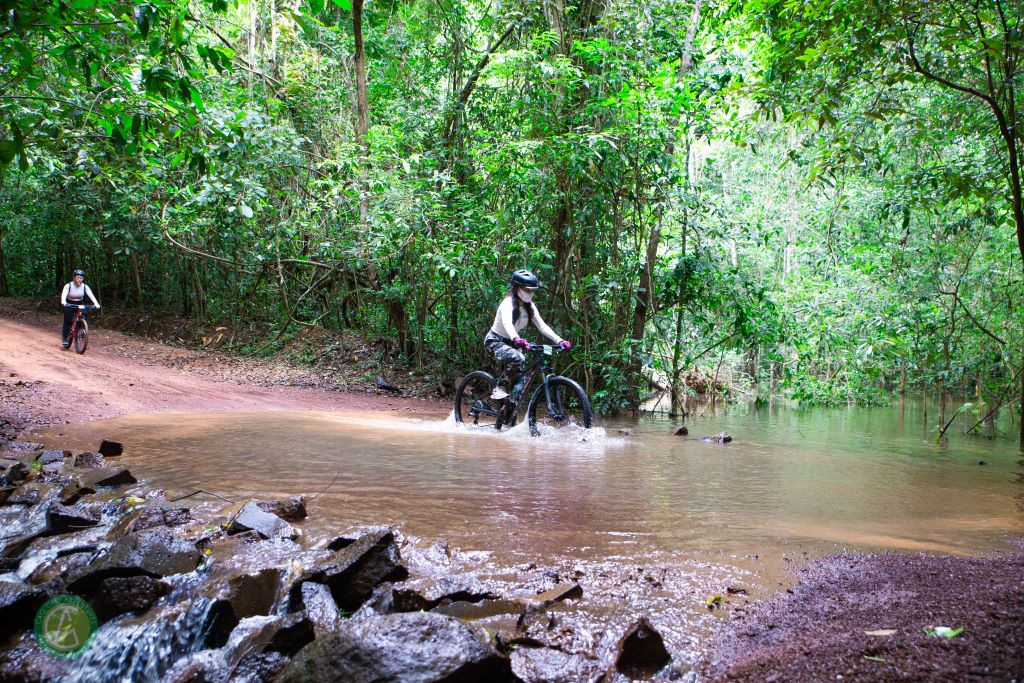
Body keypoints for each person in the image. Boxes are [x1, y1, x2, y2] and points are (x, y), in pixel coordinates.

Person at [485, 269, 570, 400]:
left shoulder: (529, 306)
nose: (530, 293)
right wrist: (516, 338)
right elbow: (507, 324)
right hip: (495, 341)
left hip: (513, 343)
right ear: (517, 288)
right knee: (518, 358)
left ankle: (510, 406)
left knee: (522, 381)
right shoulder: (507, 303)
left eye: (532, 290)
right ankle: (499, 388)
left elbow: (542, 326)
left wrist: (559, 340)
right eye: (527, 290)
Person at [60, 269, 100, 348]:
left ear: (83, 279)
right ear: (74, 278)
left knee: (83, 316)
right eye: (77, 277)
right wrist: (63, 301)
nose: (79, 279)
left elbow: (91, 295)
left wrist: (96, 303)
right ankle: (65, 338)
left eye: (81, 278)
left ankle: (80, 330)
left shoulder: (85, 286)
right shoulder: (68, 285)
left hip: (79, 303)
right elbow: (64, 294)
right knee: (68, 320)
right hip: (69, 303)